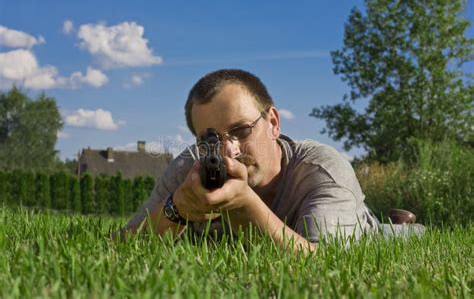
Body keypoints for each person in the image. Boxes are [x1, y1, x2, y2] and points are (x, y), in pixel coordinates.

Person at [124, 69, 420, 252]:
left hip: (361, 229)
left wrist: (244, 206)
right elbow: (121, 245)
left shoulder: (320, 168)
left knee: (391, 235)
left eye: (241, 130)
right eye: (210, 140)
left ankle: (400, 224)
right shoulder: (189, 168)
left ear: (274, 122)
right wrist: (178, 208)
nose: (230, 150)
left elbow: (325, 264)